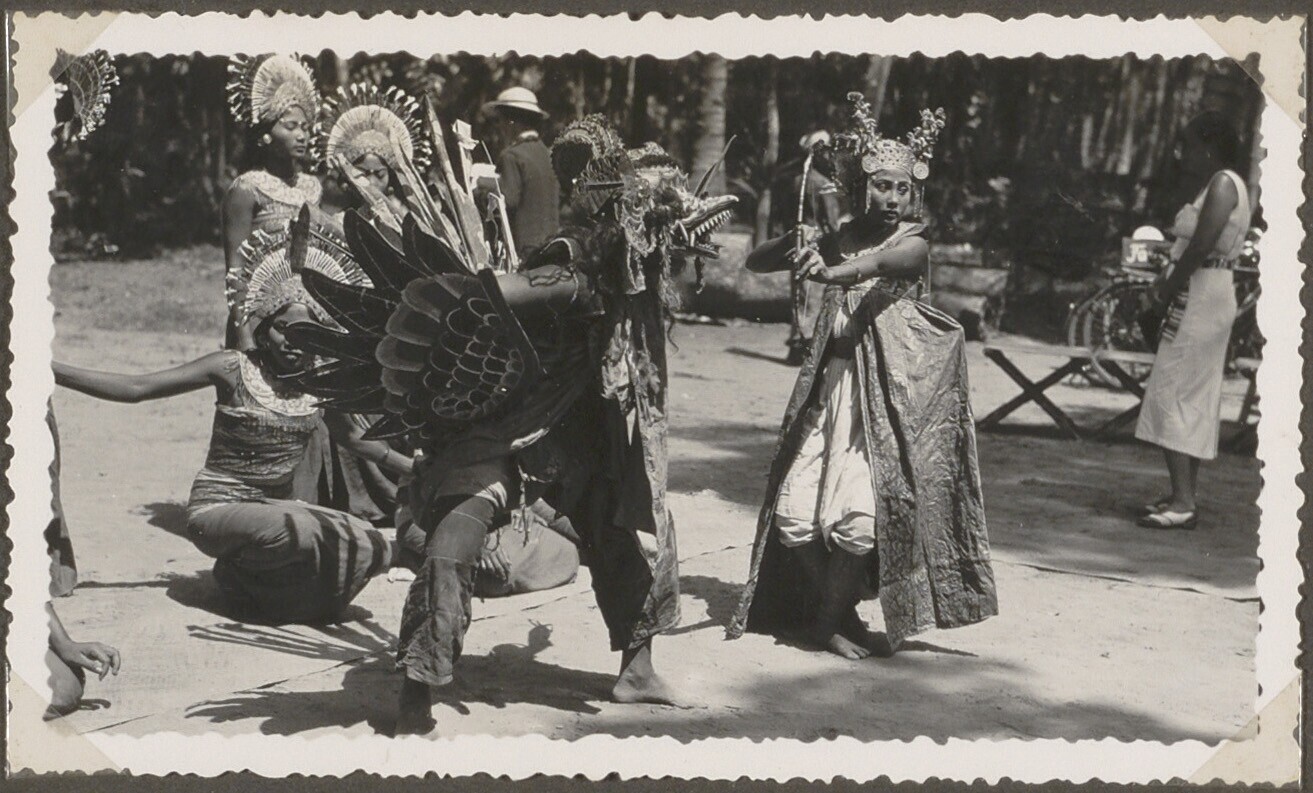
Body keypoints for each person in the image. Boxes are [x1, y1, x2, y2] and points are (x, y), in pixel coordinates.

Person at [288, 115, 738, 733]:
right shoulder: (574, 270)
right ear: (626, 224)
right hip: (511, 426)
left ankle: (637, 672)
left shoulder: (627, 274)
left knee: (619, 539)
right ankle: (419, 682)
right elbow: (490, 292)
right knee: (453, 546)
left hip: (577, 432)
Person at [728, 94, 997, 659]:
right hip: (831, 392)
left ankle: (825, 624)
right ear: (860, 187)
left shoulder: (911, 244)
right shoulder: (840, 235)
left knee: (862, 519)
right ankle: (840, 610)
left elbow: (877, 267)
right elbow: (756, 263)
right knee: (793, 516)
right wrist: (794, 242)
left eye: (901, 188)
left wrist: (832, 272)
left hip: (886, 402)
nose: (892, 198)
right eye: (881, 186)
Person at [53, 223, 420, 624]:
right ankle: (241, 578)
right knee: (300, 530)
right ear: (264, 328)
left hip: (276, 510)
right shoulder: (232, 368)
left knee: (371, 545)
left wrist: (415, 468)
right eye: (282, 328)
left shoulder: (318, 382)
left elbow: (357, 440)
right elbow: (137, 388)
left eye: (307, 332)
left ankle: (259, 593)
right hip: (218, 509)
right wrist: (51, 369)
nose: (292, 341)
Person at [1134, 112, 1255, 530]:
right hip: (1203, 290)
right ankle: (1182, 493)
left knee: (1177, 390)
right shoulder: (1219, 184)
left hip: (1202, 294)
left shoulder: (1223, 183)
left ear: (1208, 146)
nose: (1182, 153)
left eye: (1188, 144)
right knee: (1188, 393)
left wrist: (1164, 294)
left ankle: (1184, 501)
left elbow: (1201, 246)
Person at [222, 53, 323, 352]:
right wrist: (244, 337)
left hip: (302, 316)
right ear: (265, 134)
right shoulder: (247, 189)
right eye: (290, 127)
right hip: (257, 321)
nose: (301, 136)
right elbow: (235, 271)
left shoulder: (312, 189)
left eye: (305, 127)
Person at [786, 131, 848, 366]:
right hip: (816, 240)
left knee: (800, 292)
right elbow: (831, 220)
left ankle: (797, 339)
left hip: (798, 237)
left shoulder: (797, 180)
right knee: (811, 293)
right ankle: (805, 342)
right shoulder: (823, 184)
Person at [480, 87, 560, 256]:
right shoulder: (546, 154)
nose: (499, 128)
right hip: (551, 245)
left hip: (525, 250)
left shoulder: (512, 155)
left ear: (511, 122)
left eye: (499, 121)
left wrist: (479, 190)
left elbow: (508, 200)